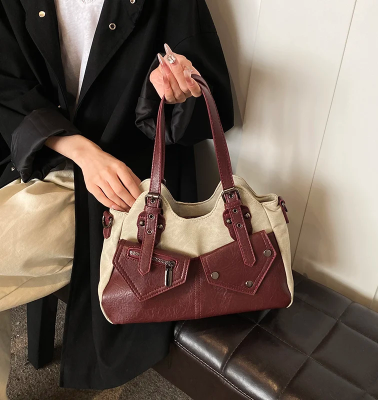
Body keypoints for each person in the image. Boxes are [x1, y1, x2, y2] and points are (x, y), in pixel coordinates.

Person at [0, 0, 234, 397]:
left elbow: (210, 96)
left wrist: (175, 91)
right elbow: (7, 84)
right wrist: (81, 151)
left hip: (124, 184)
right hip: (35, 155)